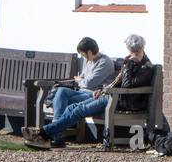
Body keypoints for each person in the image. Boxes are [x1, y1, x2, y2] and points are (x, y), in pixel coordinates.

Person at [25, 34, 154, 149]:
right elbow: (116, 82)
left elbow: (127, 85)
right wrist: (102, 90)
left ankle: (42, 133)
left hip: (122, 101)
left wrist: (129, 66)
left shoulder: (145, 67)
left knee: (78, 110)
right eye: (130, 52)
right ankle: (49, 136)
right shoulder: (133, 64)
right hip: (111, 95)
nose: (131, 55)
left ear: (140, 50)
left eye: (133, 52)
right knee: (73, 108)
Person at [43, 37, 116, 134]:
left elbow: (89, 83)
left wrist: (80, 80)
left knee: (61, 101)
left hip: (93, 95)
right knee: (61, 91)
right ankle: (56, 130)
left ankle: (56, 133)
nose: (83, 57)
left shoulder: (104, 62)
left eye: (83, 54)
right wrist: (81, 80)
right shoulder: (89, 61)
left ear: (89, 52)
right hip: (82, 92)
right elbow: (82, 78)